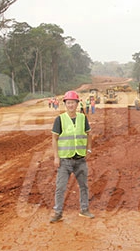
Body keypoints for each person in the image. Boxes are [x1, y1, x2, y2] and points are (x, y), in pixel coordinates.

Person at [50, 90, 94, 223]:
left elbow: (89, 134)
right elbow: (54, 138)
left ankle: (84, 209)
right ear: (65, 104)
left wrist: (89, 149)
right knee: (60, 187)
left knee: (84, 186)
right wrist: (56, 157)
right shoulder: (60, 119)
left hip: (80, 159)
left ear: (77, 104)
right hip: (65, 161)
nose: (71, 105)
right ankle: (58, 212)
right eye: (68, 103)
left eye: (73, 102)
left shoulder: (82, 118)